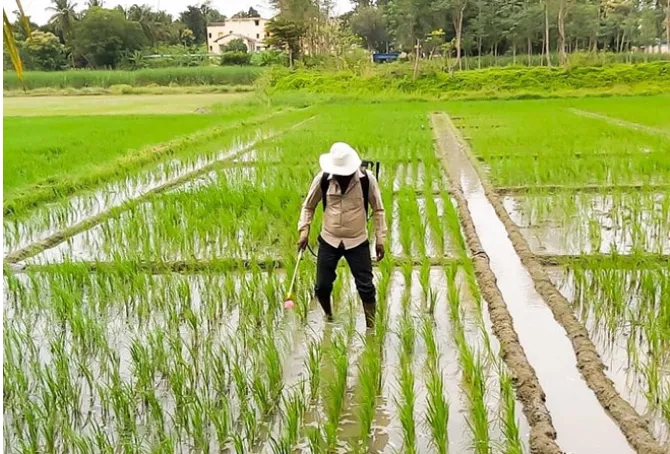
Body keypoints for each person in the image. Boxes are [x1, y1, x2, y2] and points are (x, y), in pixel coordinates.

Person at [297, 142, 386, 328]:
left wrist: (380, 239)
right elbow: (308, 206)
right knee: (321, 287)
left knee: (366, 288)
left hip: (357, 240)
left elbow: (378, 209)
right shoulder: (323, 179)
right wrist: (304, 230)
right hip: (329, 239)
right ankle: (329, 317)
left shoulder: (366, 180)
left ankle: (371, 328)